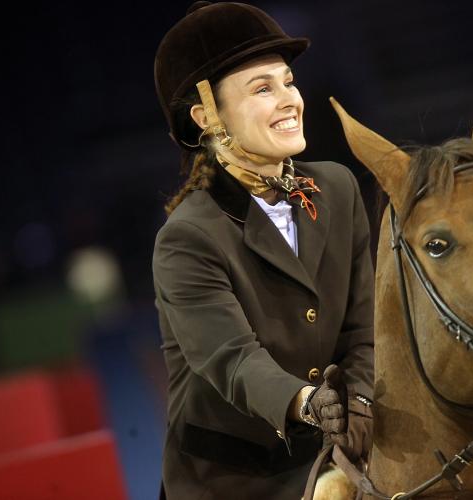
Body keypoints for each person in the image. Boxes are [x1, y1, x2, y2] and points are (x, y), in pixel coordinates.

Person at [152, 2, 374, 499]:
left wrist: (358, 400)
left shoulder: (337, 188)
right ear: (206, 116)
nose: (290, 99)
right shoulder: (186, 238)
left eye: (288, 82)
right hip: (236, 478)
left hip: (336, 451)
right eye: (262, 89)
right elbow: (233, 360)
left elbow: (365, 326)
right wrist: (307, 402)